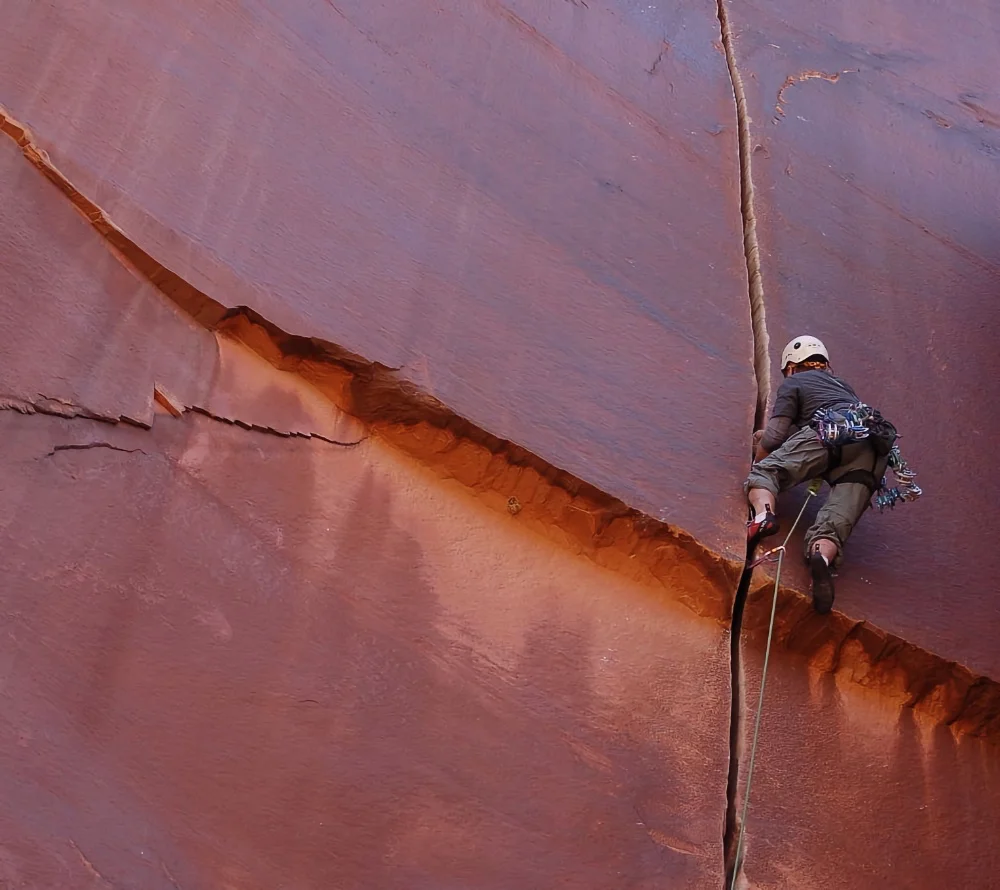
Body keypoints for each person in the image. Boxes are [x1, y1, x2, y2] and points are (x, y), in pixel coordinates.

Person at [745, 336, 889, 614]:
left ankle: (763, 517)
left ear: (790, 366)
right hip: (873, 448)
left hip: (831, 430)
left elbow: (775, 436)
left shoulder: (794, 382)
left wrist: (759, 460)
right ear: (826, 364)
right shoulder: (842, 387)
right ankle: (820, 557)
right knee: (835, 520)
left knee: (766, 473)